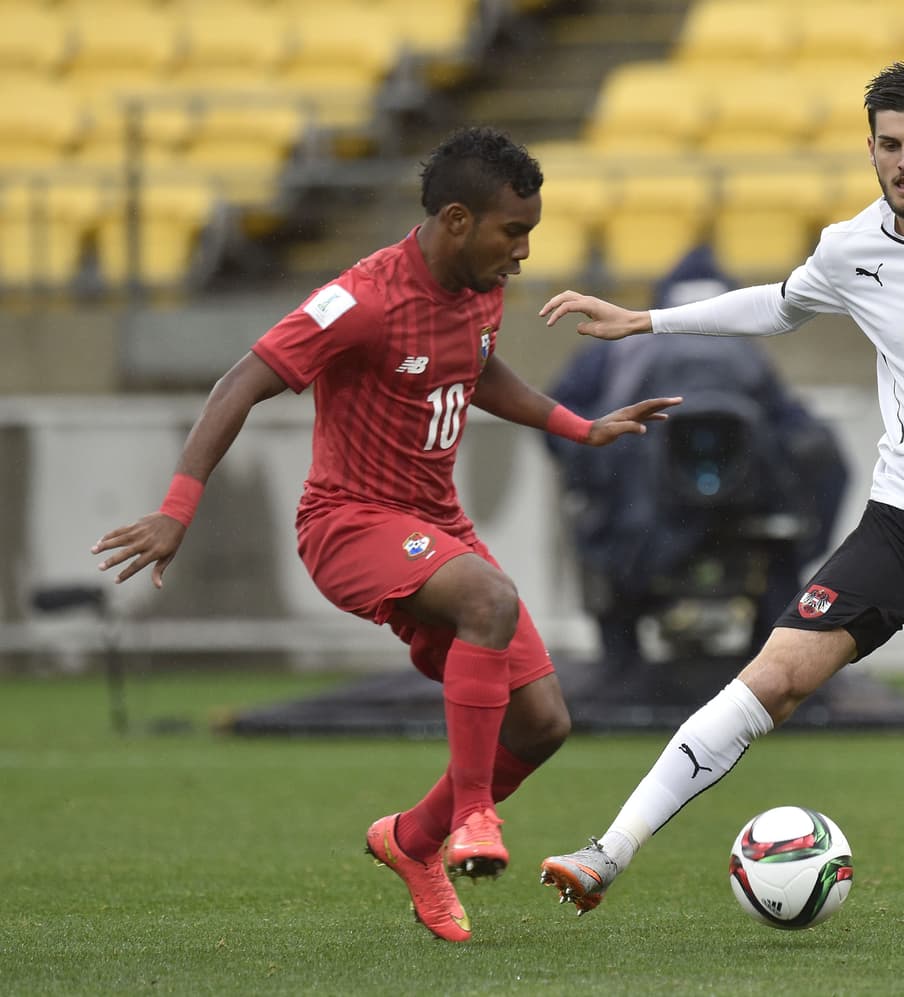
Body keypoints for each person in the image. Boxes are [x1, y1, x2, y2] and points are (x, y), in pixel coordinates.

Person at [535, 61, 904, 923]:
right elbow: (777, 305)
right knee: (775, 678)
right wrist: (646, 319)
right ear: (870, 151)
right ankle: (608, 849)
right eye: (891, 146)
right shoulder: (851, 248)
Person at [89, 126, 681, 943]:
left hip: (435, 523)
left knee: (543, 722)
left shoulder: (478, 287)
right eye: (515, 232)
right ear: (458, 220)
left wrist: (581, 427)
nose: (524, 252)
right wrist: (176, 508)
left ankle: (411, 840)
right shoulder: (361, 298)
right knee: (488, 597)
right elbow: (240, 381)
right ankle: (474, 815)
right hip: (348, 522)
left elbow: (477, 366)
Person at [544, 245, 849, 686]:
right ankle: (773, 667)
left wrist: (589, 470)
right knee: (786, 528)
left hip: (639, 517)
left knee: (594, 526)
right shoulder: (747, 350)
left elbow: (560, 415)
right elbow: (797, 428)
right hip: (741, 508)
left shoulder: (615, 351)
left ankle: (620, 666)